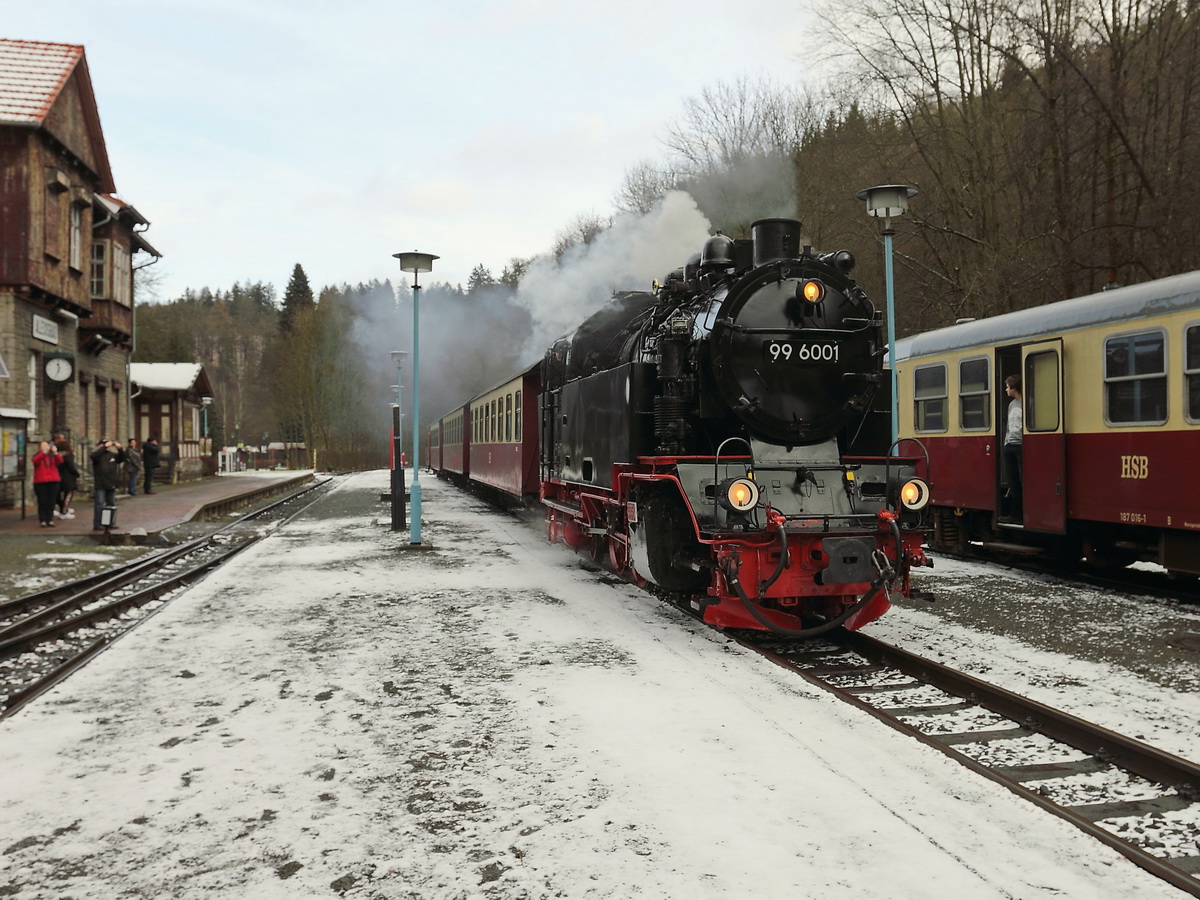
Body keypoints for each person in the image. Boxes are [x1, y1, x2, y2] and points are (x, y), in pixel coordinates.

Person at [1001, 374, 1023, 524]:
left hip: (1021, 445)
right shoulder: (1011, 405)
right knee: (1013, 481)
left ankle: (1022, 513)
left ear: (1014, 388)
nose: (1006, 389)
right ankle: (1015, 514)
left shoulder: (1025, 403)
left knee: (1022, 480)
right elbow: (1009, 426)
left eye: (1008, 387)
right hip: (1010, 445)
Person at [90, 439, 126, 530]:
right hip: (100, 483)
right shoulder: (97, 456)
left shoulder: (111, 455)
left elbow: (122, 458)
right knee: (100, 504)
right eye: (102, 445)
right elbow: (94, 456)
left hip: (111, 483)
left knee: (110, 504)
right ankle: (98, 523)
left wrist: (120, 449)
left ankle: (108, 522)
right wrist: (104, 447)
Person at [31, 440, 62, 528]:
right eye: (43, 445)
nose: (46, 447)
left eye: (46, 445)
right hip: (41, 481)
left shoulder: (52, 455)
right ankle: (43, 520)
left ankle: (50, 519)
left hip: (53, 480)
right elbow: (35, 461)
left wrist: (55, 452)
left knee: (51, 501)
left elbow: (60, 461)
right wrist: (43, 453)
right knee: (42, 501)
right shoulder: (38, 455)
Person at [56, 444, 80, 519]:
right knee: (68, 495)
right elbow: (71, 467)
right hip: (68, 479)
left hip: (60, 478)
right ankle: (64, 511)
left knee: (59, 495)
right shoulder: (68, 457)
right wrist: (77, 474)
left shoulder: (58, 456)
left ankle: (62, 509)